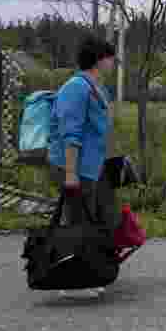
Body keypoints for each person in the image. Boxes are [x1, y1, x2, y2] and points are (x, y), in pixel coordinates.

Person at [47, 35, 119, 296]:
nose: (114, 62)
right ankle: (71, 281)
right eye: (111, 57)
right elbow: (71, 133)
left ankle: (88, 270)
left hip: (92, 166)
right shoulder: (75, 88)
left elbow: (100, 131)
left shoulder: (98, 89)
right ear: (99, 59)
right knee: (76, 222)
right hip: (73, 166)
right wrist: (70, 173)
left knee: (95, 220)